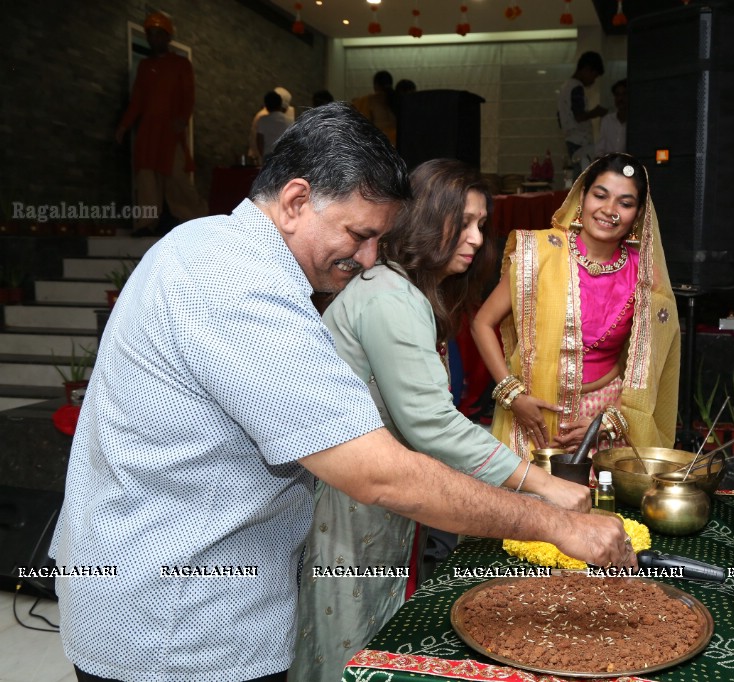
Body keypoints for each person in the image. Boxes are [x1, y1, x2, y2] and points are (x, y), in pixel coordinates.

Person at [50, 103, 634, 682]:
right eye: (359, 234)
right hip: (177, 624)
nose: (368, 257)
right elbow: (379, 472)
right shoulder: (236, 285)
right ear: (297, 201)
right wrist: (556, 524)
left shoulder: (207, 242)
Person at [291, 159, 591, 681]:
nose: (476, 238)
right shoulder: (388, 297)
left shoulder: (406, 293)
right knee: (348, 651)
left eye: (482, 225)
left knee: (374, 633)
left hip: (373, 502)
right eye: (465, 222)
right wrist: (541, 485)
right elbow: (431, 424)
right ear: (428, 219)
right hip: (346, 510)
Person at [472, 153, 680, 458]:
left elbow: (650, 369)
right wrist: (512, 395)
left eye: (625, 203)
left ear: (637, 215)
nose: (609, 210)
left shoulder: (646, 276)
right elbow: (482, 323)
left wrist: (607, 422)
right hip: (532, 411)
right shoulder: (539, 254)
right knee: (525, 502)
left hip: (604, 415)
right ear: (582, 197)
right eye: (600, 195)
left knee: (598, 503)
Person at [115, 11, 207, 236]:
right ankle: (146, 223)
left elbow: (188, 95)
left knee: (176, 177)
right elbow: (137, 100)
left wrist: (182, 119)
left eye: (158, 34)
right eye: (150, 34)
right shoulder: (144, 66)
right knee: (146, 178)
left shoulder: (181, 64)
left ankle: (197, 221)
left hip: (169, 132)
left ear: (167, 37)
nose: (153, 39)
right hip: (147, 133)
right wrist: (123, 126)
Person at [556, 51, 608, 179]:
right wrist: (596, 112)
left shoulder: (565, 87)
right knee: (584, 177)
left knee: (579, 174)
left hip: (570, 139)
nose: (593, 81)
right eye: (594, 76)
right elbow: (579, 116)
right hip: (580, 141)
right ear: (586, 69)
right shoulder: (576, 87)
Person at [248, 86, 295, 162]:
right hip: (284, 157)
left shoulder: (262, 119)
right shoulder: (289, 120)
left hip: (268, 156)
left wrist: (262, 156)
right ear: (281, 104)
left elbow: (259, 141)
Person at [353, 70, 398, 145]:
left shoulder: (368, 100)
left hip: (380, 144)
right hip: (397, 144)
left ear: (376, 85)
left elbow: (362, 125)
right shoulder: (398, 99)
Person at [596, 79, 628, 157]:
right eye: (617, 95)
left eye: (624, 94)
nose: (620, 98)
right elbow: (600, 149)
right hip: (608, 165)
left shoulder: (636, 121)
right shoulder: (607, 120)